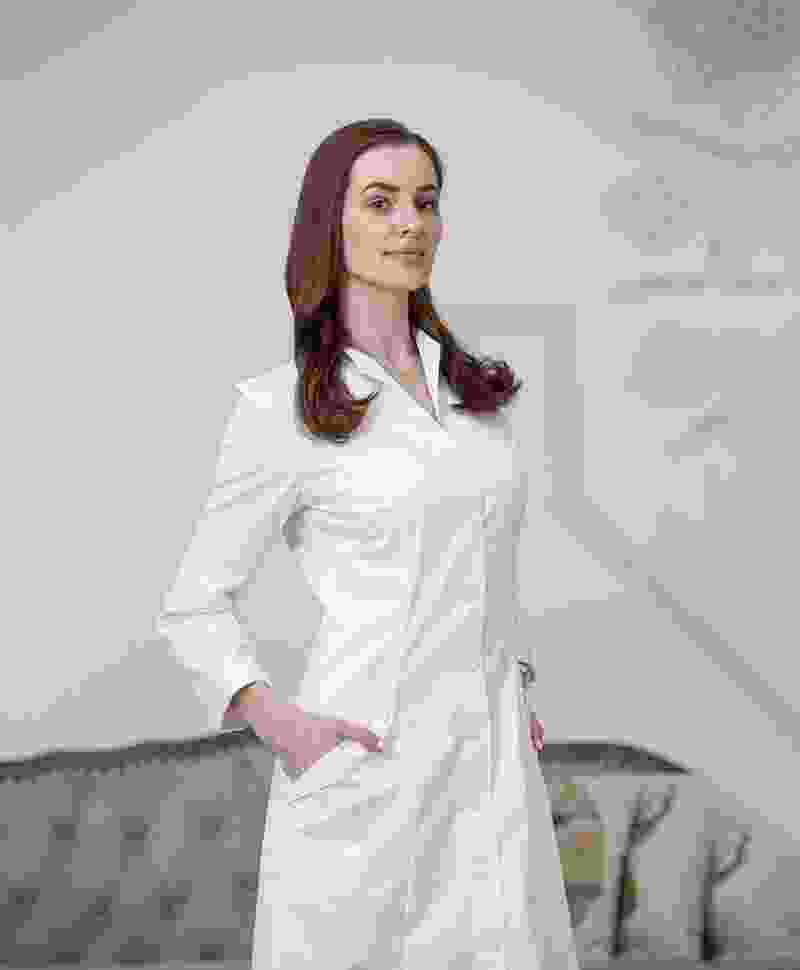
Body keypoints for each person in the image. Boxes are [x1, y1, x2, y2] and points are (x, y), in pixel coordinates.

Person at [155, 118, 578, 969]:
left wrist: (517, 682)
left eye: (425, 202)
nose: (409, 224)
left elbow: (486, 562)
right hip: (365, 770)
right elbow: (192, 606)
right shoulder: (280, 411)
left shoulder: (477, 402)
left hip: (493, 771)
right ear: (331, 223)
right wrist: (283, 724)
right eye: (381, 203)